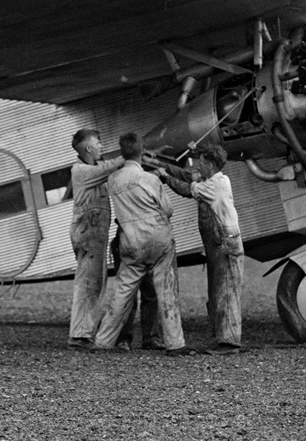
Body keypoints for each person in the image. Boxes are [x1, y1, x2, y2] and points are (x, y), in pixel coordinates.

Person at [91, 133, 188, 354]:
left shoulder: (113, 180)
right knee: (166, 290)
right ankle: (175, 343)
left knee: (122, 292)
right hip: (157, 238)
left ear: (122, 152)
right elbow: (168, 210)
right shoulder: (150, 180)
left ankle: (103, 341)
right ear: (142, 151)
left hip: (130, 240)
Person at [156, 145, 243, 353]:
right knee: (217, 290)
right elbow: (188, 175)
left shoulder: (214, 186)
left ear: (210, 165)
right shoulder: (214, 179)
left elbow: (186, 188)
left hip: (224, 242)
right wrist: (163, 165)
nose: (198, 167)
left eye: (202, 163)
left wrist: (165, 177)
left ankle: (230, 341)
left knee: (225, 291)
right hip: (218, 243)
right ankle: (223, 337)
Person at [67, 128, 123, 349]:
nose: (101, 147)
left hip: (93, 234)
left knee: (94, 281)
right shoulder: (81, 171)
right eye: (98, 143)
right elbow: (111, 166)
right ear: (89, 148)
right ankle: (80, 335)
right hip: (89, 234)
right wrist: (131, 154)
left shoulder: (91, 169)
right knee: (89, 282)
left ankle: (85, 332)